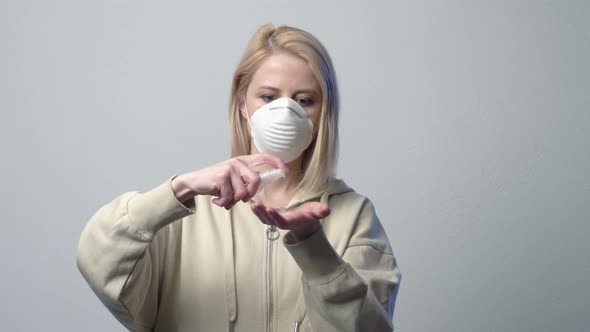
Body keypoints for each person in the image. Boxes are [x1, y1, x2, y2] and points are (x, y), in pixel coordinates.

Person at [76, 24, 401, 332]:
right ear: (242, 103)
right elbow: (98, 260)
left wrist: (313, 247)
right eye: (269, 97)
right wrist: (180, 188)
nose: (286, 112)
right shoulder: (186, 214)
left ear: (322, 112)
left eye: (304, 100)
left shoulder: (354, 217)